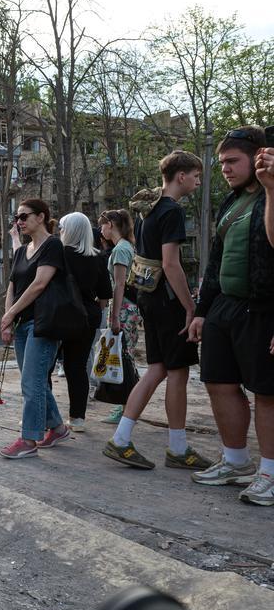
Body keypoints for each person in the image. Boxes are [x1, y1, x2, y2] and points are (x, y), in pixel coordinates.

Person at [103, 150, 213, 471]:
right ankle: (176, 449)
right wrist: (190, 306)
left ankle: (122, 438)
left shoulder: (146, 211)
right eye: (195, 175)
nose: (197, 180)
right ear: (181, 176)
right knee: (176, 371)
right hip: (167, 301)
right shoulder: (172, 212)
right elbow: (170, 263)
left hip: (149, 299)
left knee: (157, 368)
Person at [187, 126, 274, 505]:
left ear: (258, 156)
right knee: (219, 381)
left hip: (264, 306)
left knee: (268, 393)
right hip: (226, 305)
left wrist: (272, 187)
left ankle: (270, 473)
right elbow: (218, 258)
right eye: (221, 161)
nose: (224, 168)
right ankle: (236, 462)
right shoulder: (230, 201)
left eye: (232, 160)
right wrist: (203, 311)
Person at [0, 199, 71, 458]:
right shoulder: (22, 251)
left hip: (44, 324)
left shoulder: (52, 245)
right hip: (21, 324)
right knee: (36, 381)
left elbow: (40, 284)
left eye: (23, 216)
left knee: (31, 382)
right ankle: (58, 428)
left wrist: (11, 312)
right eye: (17, 217)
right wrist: (9, 318)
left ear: (41, 217)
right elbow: (13, 286)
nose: (19, 221)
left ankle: (29, 441)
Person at [55, 213, 112, 433]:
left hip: (59, 316)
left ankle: (44, 416)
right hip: (87, 317)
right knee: (77, 367)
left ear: (68, 230)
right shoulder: (98, 256)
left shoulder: (60, 254)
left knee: (46, 366)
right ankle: (77, 418)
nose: (59, 230)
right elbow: (104, 296)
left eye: (62, 227)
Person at [97, 209, 143, 424]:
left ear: (112, 225)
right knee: (123, 356)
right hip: (126, 308)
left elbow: (119, 285)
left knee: (123, 357)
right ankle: (126, 405)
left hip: (124, 308)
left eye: (103, 225)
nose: (101, 229)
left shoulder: (121, 250)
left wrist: (114, 317)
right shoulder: (125, 247)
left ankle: (126, 406)